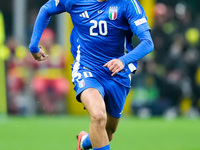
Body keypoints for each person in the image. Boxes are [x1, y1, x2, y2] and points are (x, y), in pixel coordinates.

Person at [29, 0, 154, 149]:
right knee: (98, 115)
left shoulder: (127, 4)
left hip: (117, 74)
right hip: (86, 69)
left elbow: (147, 43)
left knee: (108, 132)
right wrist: (33, 45)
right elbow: (46, 9)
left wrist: (123, 61)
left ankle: (84, 142)